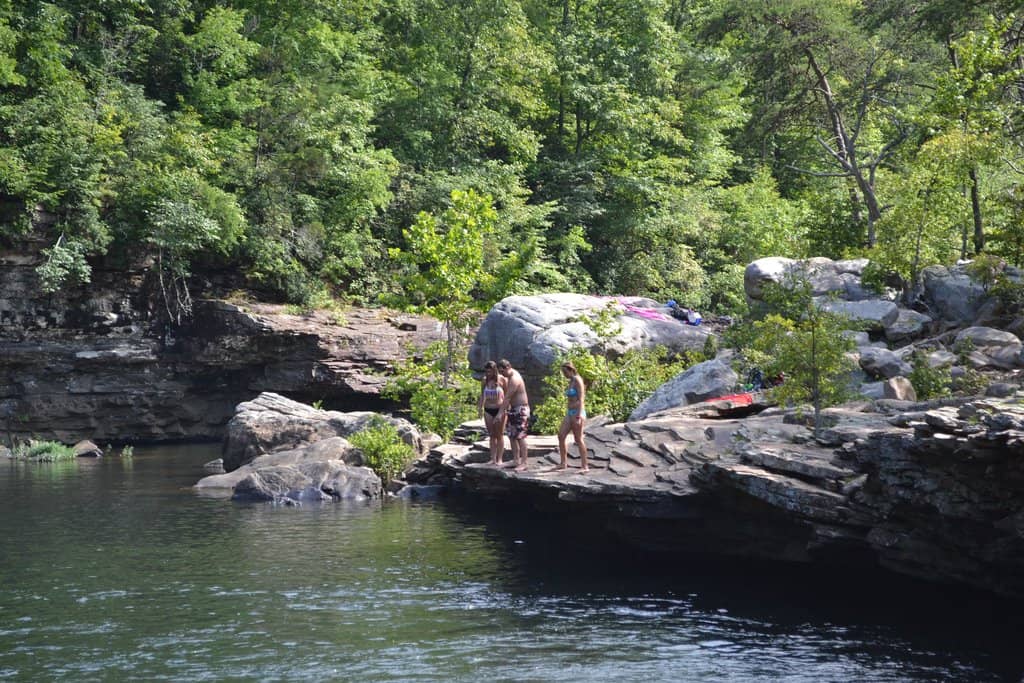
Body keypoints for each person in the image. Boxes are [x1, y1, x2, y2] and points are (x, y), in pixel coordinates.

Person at [498, 358, 530, 472]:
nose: (502, 374)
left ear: (508, 368)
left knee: (520, 436)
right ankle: (516, 460)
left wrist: (500, 413)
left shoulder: (514, 379)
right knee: (512, 435)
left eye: (502, 371)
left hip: (521, 410)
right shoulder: (509, 376)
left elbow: (507, 398)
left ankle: (524, 462)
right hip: (513, 409)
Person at [557, 361, 588, 473]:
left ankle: (585, 466)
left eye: (565, 372)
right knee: (561, 435)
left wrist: (579, 415)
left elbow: (581, 399)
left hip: (577, 412)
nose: (564, 374)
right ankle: (563, 463)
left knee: (578, 439)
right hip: (569, 412)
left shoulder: (578, 380)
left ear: (571, 370)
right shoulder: (571, 381)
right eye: (563, 372)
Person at [477, 361, 506, 466]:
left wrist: (506, 408)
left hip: (499, 409)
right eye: (486, 372)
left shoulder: (502, 379)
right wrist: (480, 408)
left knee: (499, 435)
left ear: (494, 371)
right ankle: (492, 458)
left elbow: (507, 395)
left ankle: (500, 459)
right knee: (492, 435)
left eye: (490, 372)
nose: (488, 374)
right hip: (488, 409)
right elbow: (482, 395)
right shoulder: (484, 380)